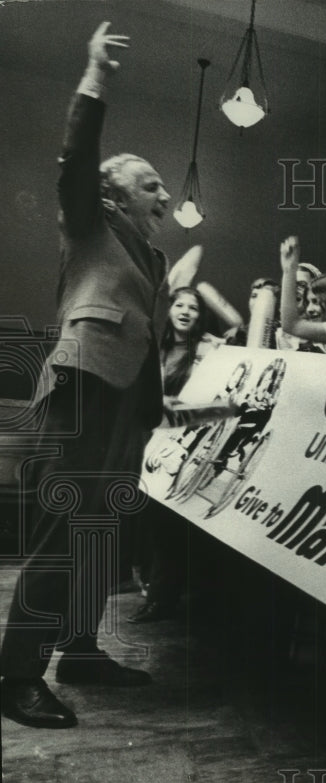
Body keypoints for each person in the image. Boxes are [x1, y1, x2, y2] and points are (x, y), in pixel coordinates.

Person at [1, 23, 167, 729]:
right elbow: (77, 158)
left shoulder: (147, 258)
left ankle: (81, 649)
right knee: (64, 532)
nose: (162, 194)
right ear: (111, 196)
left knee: (103, 532)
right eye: (150, 184)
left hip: (124, 401)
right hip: (80, 389)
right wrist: (95, 74)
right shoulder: (88, 223)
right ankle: (14, 677)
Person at [130, 287, 222, 624]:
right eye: (179, 305)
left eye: (193, 307)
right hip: (147, 440)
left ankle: (166, 598)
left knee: (176, 524)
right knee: (149, 524)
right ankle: (155, 594)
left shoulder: (208, 348)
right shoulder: (155, 347)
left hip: (187, 443)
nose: (185, 311)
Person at [225, 278, 280, 349]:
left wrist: (239, 333)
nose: (258, 302)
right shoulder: (241, 331)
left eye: (264, 298)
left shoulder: (281, 331)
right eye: (254, 296)